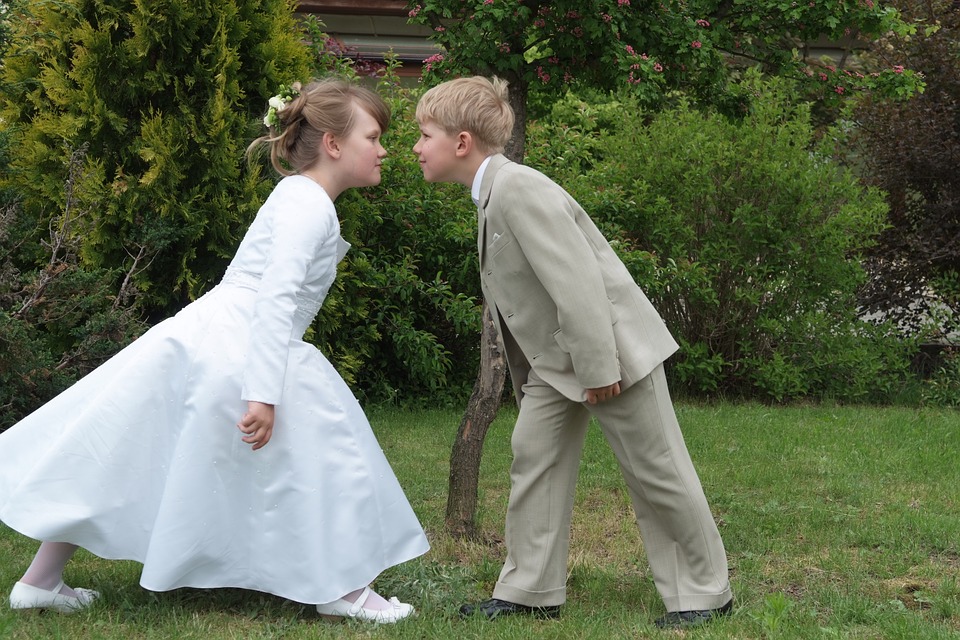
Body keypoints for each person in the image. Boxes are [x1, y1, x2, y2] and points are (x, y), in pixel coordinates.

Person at [0, 78, 429, 623]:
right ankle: (341, 588)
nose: (384, 148)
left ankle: (40, 579)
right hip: (241, 341)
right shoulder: (310, 205)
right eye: (374, 136)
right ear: (334, 145)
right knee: (332, 452)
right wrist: (262, 392)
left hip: (215, 332)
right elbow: (276, 298)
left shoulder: (302, 196)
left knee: (124, 447)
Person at [413, 76, 733, 629]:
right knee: (533, 457)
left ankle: (705, 593)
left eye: (424, 135)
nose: (416, 147)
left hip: (609, 352)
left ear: (461, 142)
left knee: (655, 469)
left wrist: (599, 369)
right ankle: (531, 590)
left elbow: (579, 284)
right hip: (555, 361)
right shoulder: (493, 193)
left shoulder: (517, 189)